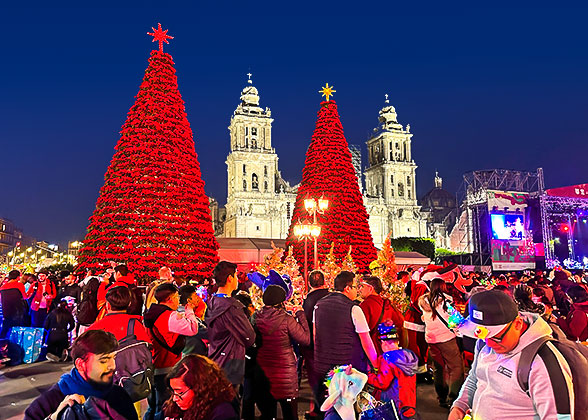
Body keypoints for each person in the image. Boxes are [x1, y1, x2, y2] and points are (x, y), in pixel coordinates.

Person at [449, 290, 575, 420]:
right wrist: (460, 406)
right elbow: (475, 378)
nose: (489, 343)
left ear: (517, 324)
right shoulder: (484, 343)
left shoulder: (543, 362)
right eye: (483, 335)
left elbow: (560, 418)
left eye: (496, 337)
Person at [24, 329, 138, 420]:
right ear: (80, 364)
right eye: (104, 360)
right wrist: (54, 417)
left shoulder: (119, 395)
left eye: (113, 358)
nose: (112, 366)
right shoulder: (49, 402)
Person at [313, 271, 377, 408]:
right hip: (348, 370)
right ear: (347, 288)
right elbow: (366, 342)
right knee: (348, 408)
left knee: (328, 407)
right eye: (355, 287)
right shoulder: (354, 308)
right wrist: (376, 365)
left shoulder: (319, 305)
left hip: (323, 366)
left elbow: (315, 335)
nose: (357, 291)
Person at [252, 284, 310, 420]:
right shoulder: (286, 319)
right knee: (290, 414)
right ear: (281, 301)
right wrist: (301, 314)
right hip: (285, 374)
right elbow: (306, 339)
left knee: (268, 414)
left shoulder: (256, 317)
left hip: (263, 372)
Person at [144, 283, 199, 420]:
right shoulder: (168, 316)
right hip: (167, 366)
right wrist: (190, 311)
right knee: (165, 406)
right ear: (170, 298)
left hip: (154, 364)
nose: (178, 300)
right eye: (176, 297)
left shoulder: (151, 313)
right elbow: (193, 328)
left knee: (153, 405)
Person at [205, 261, 256, 388]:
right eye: (235, 276)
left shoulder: (213, 301)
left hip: (215, 359)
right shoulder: (231, 307)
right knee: (230, 402)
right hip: (231, 362)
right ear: (229, 278)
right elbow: (249, 336)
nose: (237, 280)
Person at [418, 278, 464, 408]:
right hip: (446, 339)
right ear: (443, 287)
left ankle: (441, 398)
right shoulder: (445, 302)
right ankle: (453, 398)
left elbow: (424, 318)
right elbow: (456, 321)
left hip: (432, 340)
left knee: (439, 368)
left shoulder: (424, 301)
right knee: (455, 368)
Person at [367, 321, 419, 420]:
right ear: (397, 341)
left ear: (383, 343)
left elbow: (382, 383)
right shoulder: (409, 355)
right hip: (409, 404)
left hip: (393, 405)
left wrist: (368, 375)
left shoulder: (387, 359)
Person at [163, 354, 238, 420]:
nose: (174, 398)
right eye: (173, 391)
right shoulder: (174, 407)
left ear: (200, 388)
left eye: (180, 392)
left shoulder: (222, 413)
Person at [301, 270, 330, 419]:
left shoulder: (309, 301)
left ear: (309, 283)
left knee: (316, 378)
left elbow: (306, 325)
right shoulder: (330, 297)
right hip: (331, 344)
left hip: (314, 347)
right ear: (324, 282)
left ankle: (317, 409)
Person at [359, 275, 407, 353]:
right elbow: (400, 323)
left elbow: (361, 330)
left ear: (370, 288)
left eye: (362, 287)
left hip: (372, 349)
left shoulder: (365, 305)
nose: (359, 290)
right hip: (388, 348)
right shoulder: (387, 304)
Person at [402, 271, 429, 377]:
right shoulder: (421, 287)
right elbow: (418, 304)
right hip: (415, 320)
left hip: (416, 319)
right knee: (416, 344)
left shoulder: (419, 285)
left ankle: (419, 368)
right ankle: (418, 369)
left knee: (418, 344)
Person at [0, 269, 28, 337]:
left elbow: (1, 300)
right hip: (17, 310)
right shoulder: (19, 285)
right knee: (17, 329)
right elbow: (25, 297)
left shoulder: (3, 287)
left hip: (6, 310)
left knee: (5, 328)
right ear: (18, 277)